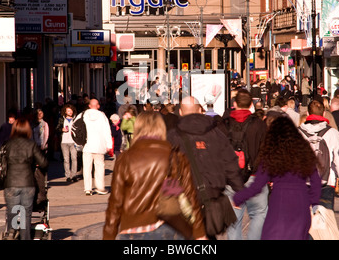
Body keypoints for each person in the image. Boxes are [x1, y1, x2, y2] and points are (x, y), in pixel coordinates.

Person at [103, 111, 207, 240]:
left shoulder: (125, 158)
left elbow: (115, 202)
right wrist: (199, 233)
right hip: (171, 226)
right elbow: (191, 196)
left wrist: (109, 235)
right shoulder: (176, 156)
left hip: (133, 228)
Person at [233, 116, 322, 240]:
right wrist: (312, 201)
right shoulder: (304, 152)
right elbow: (316, 181)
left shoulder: (271, 155)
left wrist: (238, 198)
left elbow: (257, 185)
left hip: (279, 202)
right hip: (301, 202)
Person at [167, 96, 244, 239]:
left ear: (181, 113)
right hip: (212, 195)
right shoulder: (216, 133)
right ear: (200, 110)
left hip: (184, 198)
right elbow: (230, 162)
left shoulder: (173, 136)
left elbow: (165, 167)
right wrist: (239, 189)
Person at [218, 89, 269, 240]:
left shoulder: (223, 125)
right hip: (256, 177)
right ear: (251, 105)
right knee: (259, 214)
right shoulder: (259, 125)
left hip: (231, 180)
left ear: (234, 104)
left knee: (234, 222)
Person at [299, 100, 339, 212]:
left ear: (308, 114)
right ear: (323, 114)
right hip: (327, 181)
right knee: (326, 219)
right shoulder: (333, 134)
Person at [2, 118, 48, 240]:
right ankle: (25, 237)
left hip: (11, 182)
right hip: (27, 182)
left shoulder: (7, 144)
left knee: (12, 211)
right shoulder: (31, 144)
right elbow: (43, 163)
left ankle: (12, 231)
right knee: (25, 214)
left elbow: (0, 164)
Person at [80, 98, 112, 196]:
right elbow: (107, 130)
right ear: (98, 106)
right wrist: (109, 145)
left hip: (87, 145)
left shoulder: (83, 115)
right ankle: (100, 187)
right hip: (99, 146)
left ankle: (88, 188)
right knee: (99, 167)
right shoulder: (102, 116)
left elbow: (75, 128)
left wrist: (78, 143)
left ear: (89, 105)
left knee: (87, 168)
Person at [56, 104, 78, 183]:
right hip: (64, 141)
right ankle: (68, 176)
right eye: (68, 111)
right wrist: (61, 129)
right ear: (65, 112)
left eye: (71, 110)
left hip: (73, 141)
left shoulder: (75, 119)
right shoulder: (62, 119)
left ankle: (74, 175)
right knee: (66, 159)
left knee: (74, 158)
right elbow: (57, 128)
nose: (70, 112)